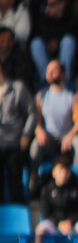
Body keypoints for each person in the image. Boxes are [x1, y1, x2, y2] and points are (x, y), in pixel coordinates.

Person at [29, 60, 78, 196]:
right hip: (50, 140)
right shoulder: (41, 96)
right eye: (48, 71)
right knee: (35, 146)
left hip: (67, 139)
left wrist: (70, 135)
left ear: (63, 74)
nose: (50, 74)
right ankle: (34, 185)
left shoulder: (73, 96)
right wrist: (39, 130)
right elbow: (36, 120)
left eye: (54, 70)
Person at [0, 59, 36, 203]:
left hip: (14, 143)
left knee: (16, 183)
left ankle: (19, 212)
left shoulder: (17, 88)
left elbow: (33, 112)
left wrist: (26, 134)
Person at [34, 154, 78, 242]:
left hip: (72, 224)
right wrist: (59, 223)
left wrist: (70, 222)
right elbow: (45, 212)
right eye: (60, 170)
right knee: (40, 231)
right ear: (54, 172)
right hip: (54, 223)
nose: (64, 174)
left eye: (67, 171)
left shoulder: (77, 188)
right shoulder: (47, 189)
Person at [28, 0, 74, 88]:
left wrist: (57, 42)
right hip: (47, 60)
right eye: (48, 4)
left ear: (62, 4)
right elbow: (36, 35)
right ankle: (47, 81)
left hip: (63, 61)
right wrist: (48, 44)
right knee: (36, 43)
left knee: (68, 41)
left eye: (52, 4)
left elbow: (72, 35)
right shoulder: (43, 19)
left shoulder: (70, 18)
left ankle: (63, 80)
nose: (49, 7)